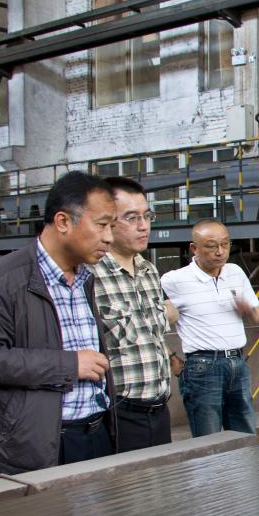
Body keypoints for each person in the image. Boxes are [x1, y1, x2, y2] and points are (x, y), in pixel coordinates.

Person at [0, 171, 117, 474]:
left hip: (96, 434)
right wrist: (69, 365)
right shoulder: (2, 280)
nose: (109, 237)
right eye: (101, 225)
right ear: (63, 222)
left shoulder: (86, 278)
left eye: (112, 226)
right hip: (37, 445)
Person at [91, 176, 180, 452]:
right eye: (132, 218)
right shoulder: (91, 275)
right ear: (107, 221)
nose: (144, 226)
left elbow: (151, 334)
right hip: (120, 414)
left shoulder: (149, 271)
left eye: (147, 216)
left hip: (160, 409)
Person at [161, 219, 259, 437]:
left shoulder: (235, 272)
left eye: (225, 244)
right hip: (203, 366)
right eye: (211, 246)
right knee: (208, 439)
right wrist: (169, 355)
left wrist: (247, 309)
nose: (220, 252)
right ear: (194, 248)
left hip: (238, 363)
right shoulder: (174, 280)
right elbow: (148, 323)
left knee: (245, 435)